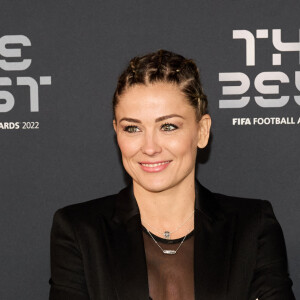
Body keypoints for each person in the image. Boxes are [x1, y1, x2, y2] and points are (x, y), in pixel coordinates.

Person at [49, 49, 295, 300]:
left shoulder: (252, 226)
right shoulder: (80, 230)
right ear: (117, 132)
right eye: (132, 128)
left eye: (168, 126)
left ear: (201, 131)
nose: (150, 147)